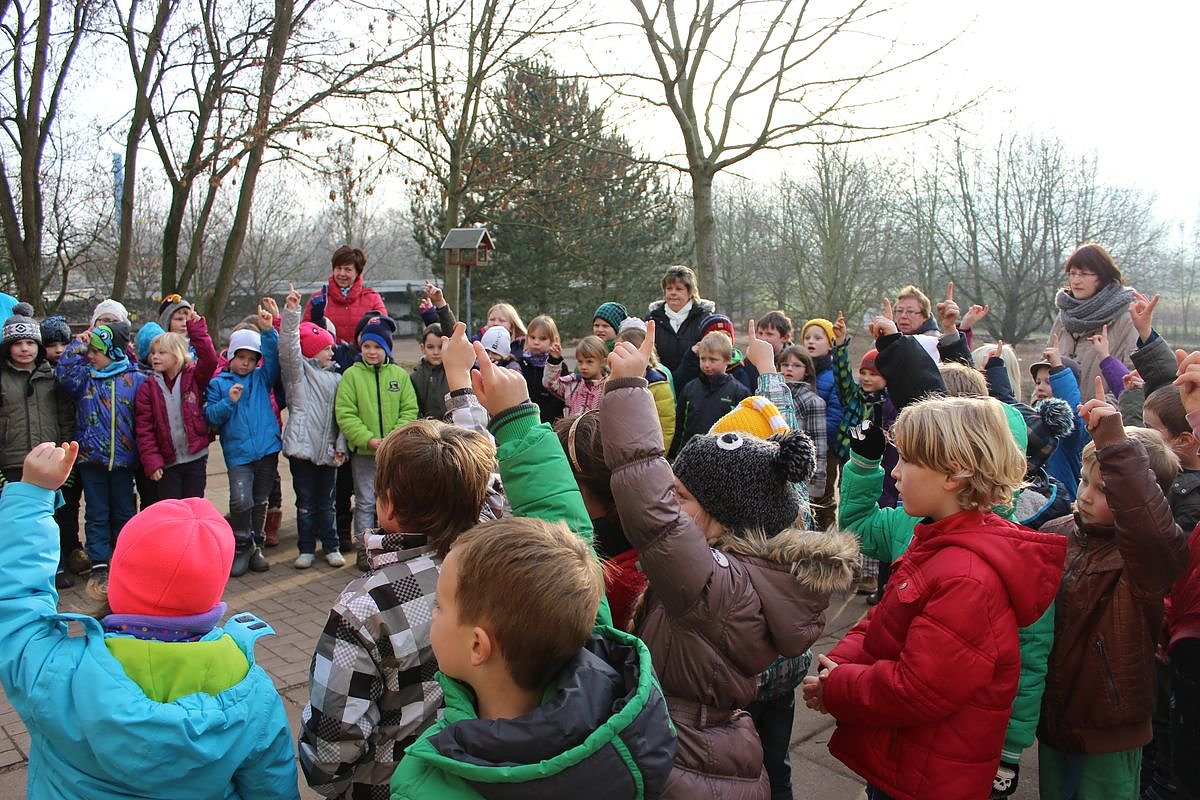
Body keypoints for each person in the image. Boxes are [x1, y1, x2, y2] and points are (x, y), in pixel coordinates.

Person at [389, 353, 675, 798]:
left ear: (478, 646)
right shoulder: (591, 654)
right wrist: (517, 418)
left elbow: (566, 524)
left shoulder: (426, 784)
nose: (434, 613)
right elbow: (563, 522)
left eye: (441, 606)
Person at [602, 322, 857, 797]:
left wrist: (629, 390)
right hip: (712, 745)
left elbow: (649, 508)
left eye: (680, 496)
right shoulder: (748, 570)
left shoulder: (718, 588)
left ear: (724, 516)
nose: (670, 503)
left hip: (686, 756)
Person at [0, 442, 299, 799]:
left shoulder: (54, 672)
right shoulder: (251, 690)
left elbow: (17, 604)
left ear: (116, 577)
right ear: (212, 593)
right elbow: (272, 787)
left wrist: (33, 496)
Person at [804, 395, 1066, 800]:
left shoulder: (966, 578)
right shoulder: (936, 539)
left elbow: (917, 688)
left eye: (908, 461)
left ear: (954, 473)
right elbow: (886, 618)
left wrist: (837, 687)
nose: (895, 472)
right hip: (908, 756)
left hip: (928, 775)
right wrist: (839, 662)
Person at [300, 323, 498, 799]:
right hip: (477, 774)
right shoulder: (493, 552)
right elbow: (487, 473)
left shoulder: (364, 607)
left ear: (385, 503)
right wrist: (460, 383)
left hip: (389, 787)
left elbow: (328, 757)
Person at [1038, 377, 1188, 800]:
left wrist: (1114, 444)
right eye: (1083, 480)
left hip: (1109, 726)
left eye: (1103, 489)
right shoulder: (1058, 532)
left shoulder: (1144, 559)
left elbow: (1148, 528)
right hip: (1054, 718)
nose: (1085, 496)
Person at [56, 319, 145, 599]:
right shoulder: (85, 377)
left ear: (114, 352)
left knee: (124, 511)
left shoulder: (135, 379)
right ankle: (98, 562)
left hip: (124, 462)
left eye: (97, 351)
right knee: (96, 513)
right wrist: (79, 343)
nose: (91, 356)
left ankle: (125, 557)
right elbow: (63, 373)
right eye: (90, 351)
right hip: (91, 460)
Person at [334, 314, 418, 571]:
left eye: (377, 346)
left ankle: (390, 546)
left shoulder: (400, 376)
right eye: (367, 346)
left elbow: (409, 409)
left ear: (387, 348)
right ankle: (364, 550)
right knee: (365, 502)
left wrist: (392, 439)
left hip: (393, 454)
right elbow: (345, 413)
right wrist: (367, 439)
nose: (371, 351)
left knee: (392, 501)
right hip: (364, 454)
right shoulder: (351, 376)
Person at [205, 302, 282, 577]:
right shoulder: (219, 383)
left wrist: (269, 331)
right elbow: (211, 417)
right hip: (238, 454)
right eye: (241, 357)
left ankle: (256, 546)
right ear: (231, 356)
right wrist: (229, 401)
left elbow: (273, 359)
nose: (246, 363)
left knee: (260, 500)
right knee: (240, 501)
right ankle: (240, 546)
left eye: (251, 358)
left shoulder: (261, 378)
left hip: (267, 450)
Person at [0, 306, 75, 587]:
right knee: (16, 520)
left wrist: (66, 456)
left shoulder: (52, 377)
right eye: (18, 343)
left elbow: (65, 417)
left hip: (50, 460)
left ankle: (55, 567)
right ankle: (18, 575)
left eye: (30, 343)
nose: (24, 349)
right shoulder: (2, 379)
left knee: (50, 517)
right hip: (13, 460)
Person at [280, 285, 347, 569]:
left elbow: (342, 417)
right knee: (305, 502)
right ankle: (306, 548)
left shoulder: (338, 379)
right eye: (327, 347)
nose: (332, 351)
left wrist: (341, 445)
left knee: (327, 503)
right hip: (302, 450)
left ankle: (331, 546)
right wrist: (292, 312)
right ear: (312, 350)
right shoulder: (298, 375)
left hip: (329, 450)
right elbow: (288, 348)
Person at [134, 309, 218, 501]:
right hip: (168, 463)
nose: (155, 357)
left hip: (196, 457)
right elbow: (144, 429)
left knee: (194, 504)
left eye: (162, 352)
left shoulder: (193, 377)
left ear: (177, 355)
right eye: (153, 353)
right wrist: (152, 461)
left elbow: (210, 360)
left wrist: (197, 330)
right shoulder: (148, 387)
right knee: (172, 507)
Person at [1048, 242, 1138, 396]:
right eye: (1072, 273)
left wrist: (1104, 408)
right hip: (1059, 409)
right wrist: (1039, 403)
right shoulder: (1064, 315)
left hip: (1103, 409)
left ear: (1102, 277)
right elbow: (1044, 368)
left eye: (1083, 274)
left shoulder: (1126, 318)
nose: (1075, 280)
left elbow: (1133, 379)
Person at [39, 314, 88, 581]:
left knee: (71, 504)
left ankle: (73, 549)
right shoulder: (43, 376)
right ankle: (57, 557)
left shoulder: (75, 371)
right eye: (51, 345)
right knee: (55, 507)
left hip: (75, 447)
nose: (58, 350)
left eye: (63, 344)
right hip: (52, 450)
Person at [673, 330, 751, 452]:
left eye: (713, 360)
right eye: (703, 359)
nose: (707, 365)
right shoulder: (690, 389)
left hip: (724, 455)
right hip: (691, 454)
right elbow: (679, 426)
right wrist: (673, 455)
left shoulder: (739, 392)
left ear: (727, 360)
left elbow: (745, 432)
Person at [647, 265, 715, 389]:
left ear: (690, 292)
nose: (673, 293)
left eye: (679, 289)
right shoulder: (652, 320)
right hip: (661, 386)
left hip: (697, 388)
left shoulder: (704, 319)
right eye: (669, 288)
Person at [304, 245, 388, 344]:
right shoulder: (318, 299)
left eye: (348, 270)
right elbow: (305, 332)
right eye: (338, 268)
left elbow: (384, 331)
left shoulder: (373, 299)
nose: (342, 273)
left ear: (358, 272)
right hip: (328, 354)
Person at [614, 320, 675, 453]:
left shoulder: (658, 384)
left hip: (650, 452)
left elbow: (666, 425)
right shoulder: (613, 381)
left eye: (623, 352)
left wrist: (659, 455)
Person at [777, 344, 827, 501]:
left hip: (799, 476)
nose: (789, 369)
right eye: (785, 364)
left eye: (796, 365)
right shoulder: (771, 396)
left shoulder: (813, 402)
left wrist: (817, 482)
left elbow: (818, 445)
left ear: (807, 371)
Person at [543, 335, 606, 417]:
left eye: (589, 362)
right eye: (580, 362)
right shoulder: (572, 383)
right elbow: (550, 384)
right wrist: (554, 360)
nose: (583, 366)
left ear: (603, 362)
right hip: (571, 425)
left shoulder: (607, 387)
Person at [519, 314, 566, 423]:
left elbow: (561, 396)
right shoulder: (521, 363)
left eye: (543, 338)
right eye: (532, 337)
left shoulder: (559, 365)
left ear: (553, 340)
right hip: (526, 418)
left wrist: (555, 360)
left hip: (551, 421)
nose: (536, 342)